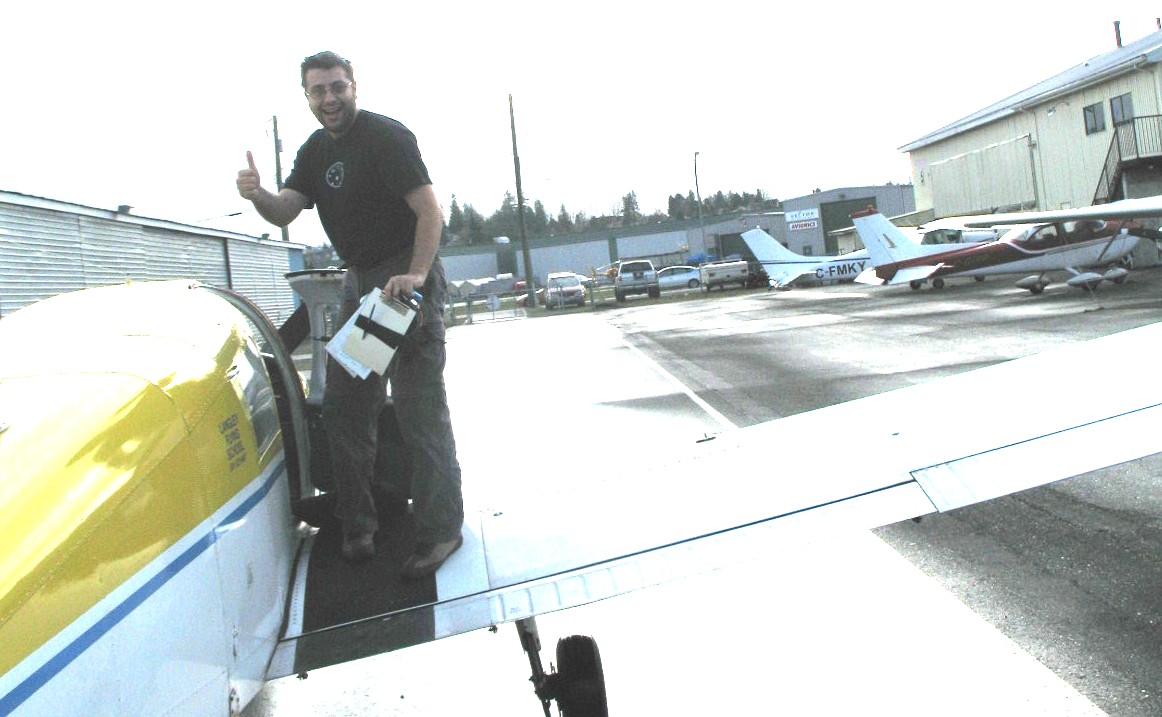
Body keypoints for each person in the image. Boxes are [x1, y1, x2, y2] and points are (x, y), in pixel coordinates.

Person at [236, 51, 463, 577]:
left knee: (417, 410)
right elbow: (285, 210)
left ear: (354, 86)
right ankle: (358, 524)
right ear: (307, 98)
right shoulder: (316, 150)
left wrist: (416, 275)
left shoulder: (386, 138)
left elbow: (430, 211)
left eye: (337, 87)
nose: (329, 99)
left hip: (401, 284)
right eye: (318, 91)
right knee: (346, 407)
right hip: (361, 283)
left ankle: (440, 530)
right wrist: (256, 195)